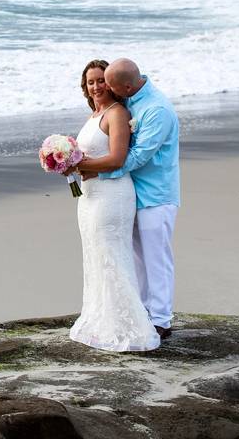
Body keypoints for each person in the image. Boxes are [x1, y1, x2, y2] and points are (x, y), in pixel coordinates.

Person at [76, 58, 180, 341]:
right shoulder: (131, 100)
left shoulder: (156, 109)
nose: (104, 89)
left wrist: (91, 169)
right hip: (132, 191)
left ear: (127, 85)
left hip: (156, 194)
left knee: (156, 258)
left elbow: (137, 155)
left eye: (109, 84)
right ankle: (144, 311)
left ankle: (161, 319)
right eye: (98, 83)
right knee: (135, 257)